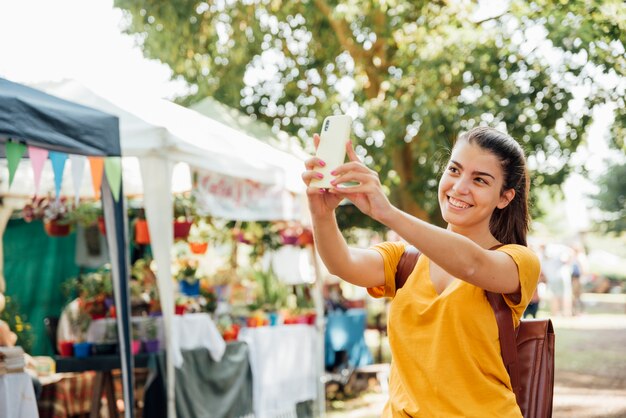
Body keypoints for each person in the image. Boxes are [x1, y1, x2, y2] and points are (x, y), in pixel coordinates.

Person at [302, 126, 540, 416]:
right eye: (454, 170)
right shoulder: (406, 259)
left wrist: (386, 212)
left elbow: (471, 264)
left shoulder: (518, 261)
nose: (460, 186)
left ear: (504, 197)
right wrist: (321, 213)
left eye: (479, 180)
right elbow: (343, 264)